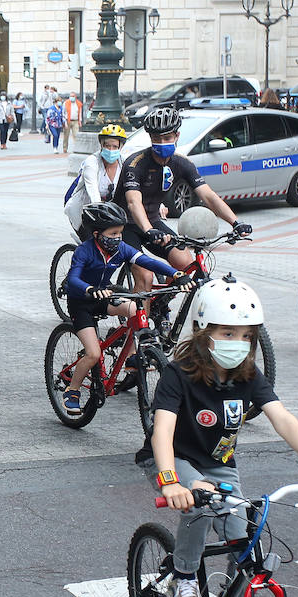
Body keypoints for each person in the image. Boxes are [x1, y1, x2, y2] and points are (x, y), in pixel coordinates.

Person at [151, 278, 298, 597]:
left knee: (243, 535)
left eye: (245, 335)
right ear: (201, 330)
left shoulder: (248, 375)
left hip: (219, 465)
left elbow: (282, 418)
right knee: (200, 500)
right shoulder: (177, 374)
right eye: (226, 333)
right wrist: (169, 482)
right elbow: (161, 430)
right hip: (173, 460)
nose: (237, 343)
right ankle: (183, 578)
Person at [62, 202, 192, 415]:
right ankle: (73, 390)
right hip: (81, 302)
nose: (118, 238)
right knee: (93, 354)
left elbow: (147, 261)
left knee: (134, 310)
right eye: (113, 233)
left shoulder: (120, 248)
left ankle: (132, 354)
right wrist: (90, 289)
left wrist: (177, 274)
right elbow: (73, 279)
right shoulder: (84, 251)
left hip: (104, 296)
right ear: (97, 234)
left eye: (121, 232)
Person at [118, 107, 249, 286]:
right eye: (156, 138)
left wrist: (236, 222)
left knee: (188, 266)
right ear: (150, 138)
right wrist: (148, 230)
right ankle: (138, 313)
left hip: (153, 222)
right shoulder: (135, 163)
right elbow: (134, 202)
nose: (162, 143)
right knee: (145, 276)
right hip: (124, 225)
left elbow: (209, 196)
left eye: (167, 138)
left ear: (177, 136)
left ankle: (161, 303)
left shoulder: (182, 163)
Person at [65, 125, 128, 236]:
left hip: (108, 213)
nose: (111, 150)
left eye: (115, 146)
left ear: (120, 147)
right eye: (107, 146)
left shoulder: (124, 163)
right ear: (101, 145)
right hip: (83, 211)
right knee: (92, 245)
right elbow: (93, 192)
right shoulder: (92, 162)